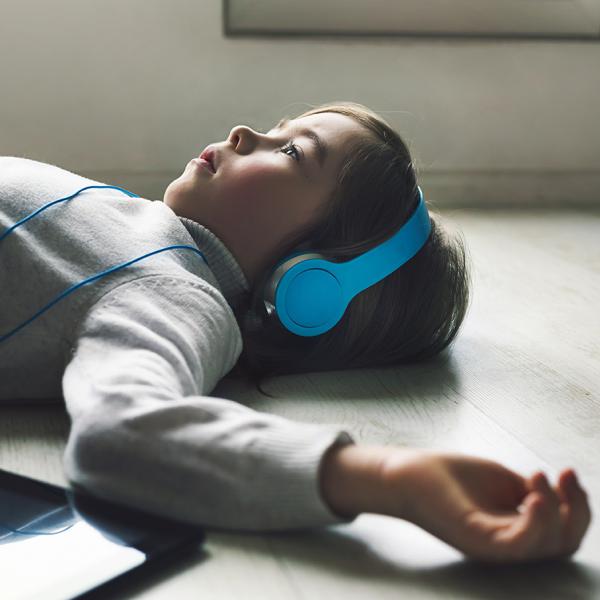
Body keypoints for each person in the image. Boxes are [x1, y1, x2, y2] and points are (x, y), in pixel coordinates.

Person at [0, 101, 590, 564]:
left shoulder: (172, 295)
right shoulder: (145, 230)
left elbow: (123, 433)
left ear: (312, 285)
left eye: (291, 151)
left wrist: (386, 479)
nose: (241, 132)